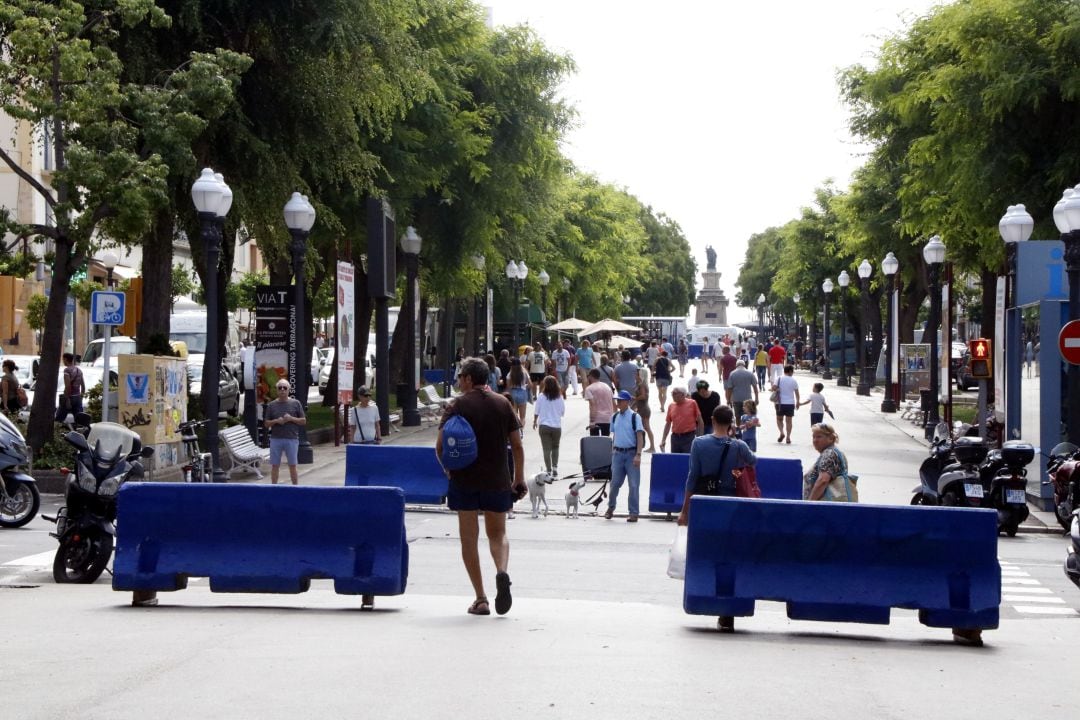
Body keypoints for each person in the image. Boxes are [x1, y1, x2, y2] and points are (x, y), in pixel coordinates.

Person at [436, 357, 526, 616]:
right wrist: (517, 479)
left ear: (467, 379)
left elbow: (440, 447)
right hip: (498, 480)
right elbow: (517, 446)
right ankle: (502, 571)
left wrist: (448, 471)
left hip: (464, 480)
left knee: (469, 540)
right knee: (498, 535)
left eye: (460, 376)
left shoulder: (457, 405)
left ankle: (481, 598)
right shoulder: (503, 404)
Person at [677, 405, 756, 632]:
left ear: (712, 419)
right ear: (731, 422)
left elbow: (692, 479)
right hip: (731, 507)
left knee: (706, 553)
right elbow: (753, 461)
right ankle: (727, 612)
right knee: (728, 556)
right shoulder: (738, 445)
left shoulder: (699, 443)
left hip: (705, 506)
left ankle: (705, 597)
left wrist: (685, 511)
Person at [605, 390, 645, 522]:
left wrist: (638, 455)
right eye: (617, 400)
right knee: (614, 484)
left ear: (627, 402)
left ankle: (633, 512)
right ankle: (611, 507)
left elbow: (639, 436)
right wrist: (612, 452)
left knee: (633, 485)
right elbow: (614, 434)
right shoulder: (614, 417)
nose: (618, 403)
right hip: (617, 454)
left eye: (620, 400)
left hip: (631, 453)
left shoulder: (635, 417)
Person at [264, 379, 307, 485]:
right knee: (275, 465)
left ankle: (295, 488)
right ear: (277, 390)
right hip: (276, 439)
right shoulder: (271, 405)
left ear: (288, 390)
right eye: (280, 388)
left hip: (291, 438)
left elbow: (303, 421)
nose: (282, 390)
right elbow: (266, 423)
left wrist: (291, 418)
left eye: (285, 388)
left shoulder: (296, 403)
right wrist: (276, 421)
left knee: (292, 465)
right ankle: (274, 487)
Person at [802, 422, 856, 502]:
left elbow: (823, 481)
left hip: (825, 507)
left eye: (819, 437)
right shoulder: (834, 452)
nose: (815, 440)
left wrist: (809, 504)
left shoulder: (829, 454)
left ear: (831, 438)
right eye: (813, 437)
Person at [532, 375, 565, 477]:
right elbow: (562, 412)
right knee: (555, 447)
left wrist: (535, 421)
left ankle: (549, 470)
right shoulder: (559, 397)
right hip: (556, 426)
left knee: (546, 449)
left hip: (544, 425)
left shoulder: (541, 396)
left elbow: (537, 410)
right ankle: (555, 467)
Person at [661, 387, 703, 453]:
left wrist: (700, 438)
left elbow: (700, 421)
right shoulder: (671, 406)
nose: (673, 395)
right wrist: (663, 439)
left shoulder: (692, 403)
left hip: (688, 437)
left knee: (687, 458)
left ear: (683, 395)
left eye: (675, 393)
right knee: (675, 459)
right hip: (675, 437)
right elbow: (668, 423)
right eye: (672, 393)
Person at [55, 352, 85, 422]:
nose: (63, 361)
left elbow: (68, 386)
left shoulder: (67, 370)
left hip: (69, 397)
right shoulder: (79, 371)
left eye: (63, 360)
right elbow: (83, 386)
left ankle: (55, 430)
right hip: (77, 397)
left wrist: (67, 399)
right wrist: (81, 398)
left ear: (65, 359)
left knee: (59, 418)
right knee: (79, 420)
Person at [774, 364, 800, 444]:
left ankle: (781, 432)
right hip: (790, 403)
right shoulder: (793, 380)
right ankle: (788, 437)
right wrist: (798, 402)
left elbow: (774, 388)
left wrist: (777, 389)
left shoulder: (778, 378)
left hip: (780, 403)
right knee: (789, 421)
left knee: (779, 419)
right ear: (790, 371)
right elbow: (797, 393)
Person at [584, 368, 614, 436]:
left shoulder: (589, 389)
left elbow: (592, 405)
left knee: (595, 442)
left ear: (591, 376)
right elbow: (613, 402)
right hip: (608, 418)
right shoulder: (607, 387)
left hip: (597, 419)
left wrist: (592, 421)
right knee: (606, 440)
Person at [506, 358, 530, 429]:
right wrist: (524, 386)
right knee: (522, 417)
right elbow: (530, 385)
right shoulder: (524, 373)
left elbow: (508, 387)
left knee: (515, 415)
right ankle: (521, 430)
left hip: (513, 393)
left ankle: (517, 431)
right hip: (522, 392)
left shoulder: (510, 374)